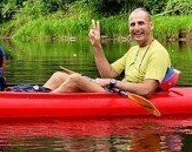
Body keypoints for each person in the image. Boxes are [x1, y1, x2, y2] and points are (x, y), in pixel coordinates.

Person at [43, 8, 176, 97]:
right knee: (59, 76)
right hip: (115, 91)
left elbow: (147, 90)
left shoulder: (158, 52)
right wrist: (97, 46)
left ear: (151, 25)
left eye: (141, 23)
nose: (136, 28)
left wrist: (112, 83)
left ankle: (42, 105)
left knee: (76, 79)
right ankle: (32, 98)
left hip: (126, 96)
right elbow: (108, 73)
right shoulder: (133, 50)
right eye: (132, 24)